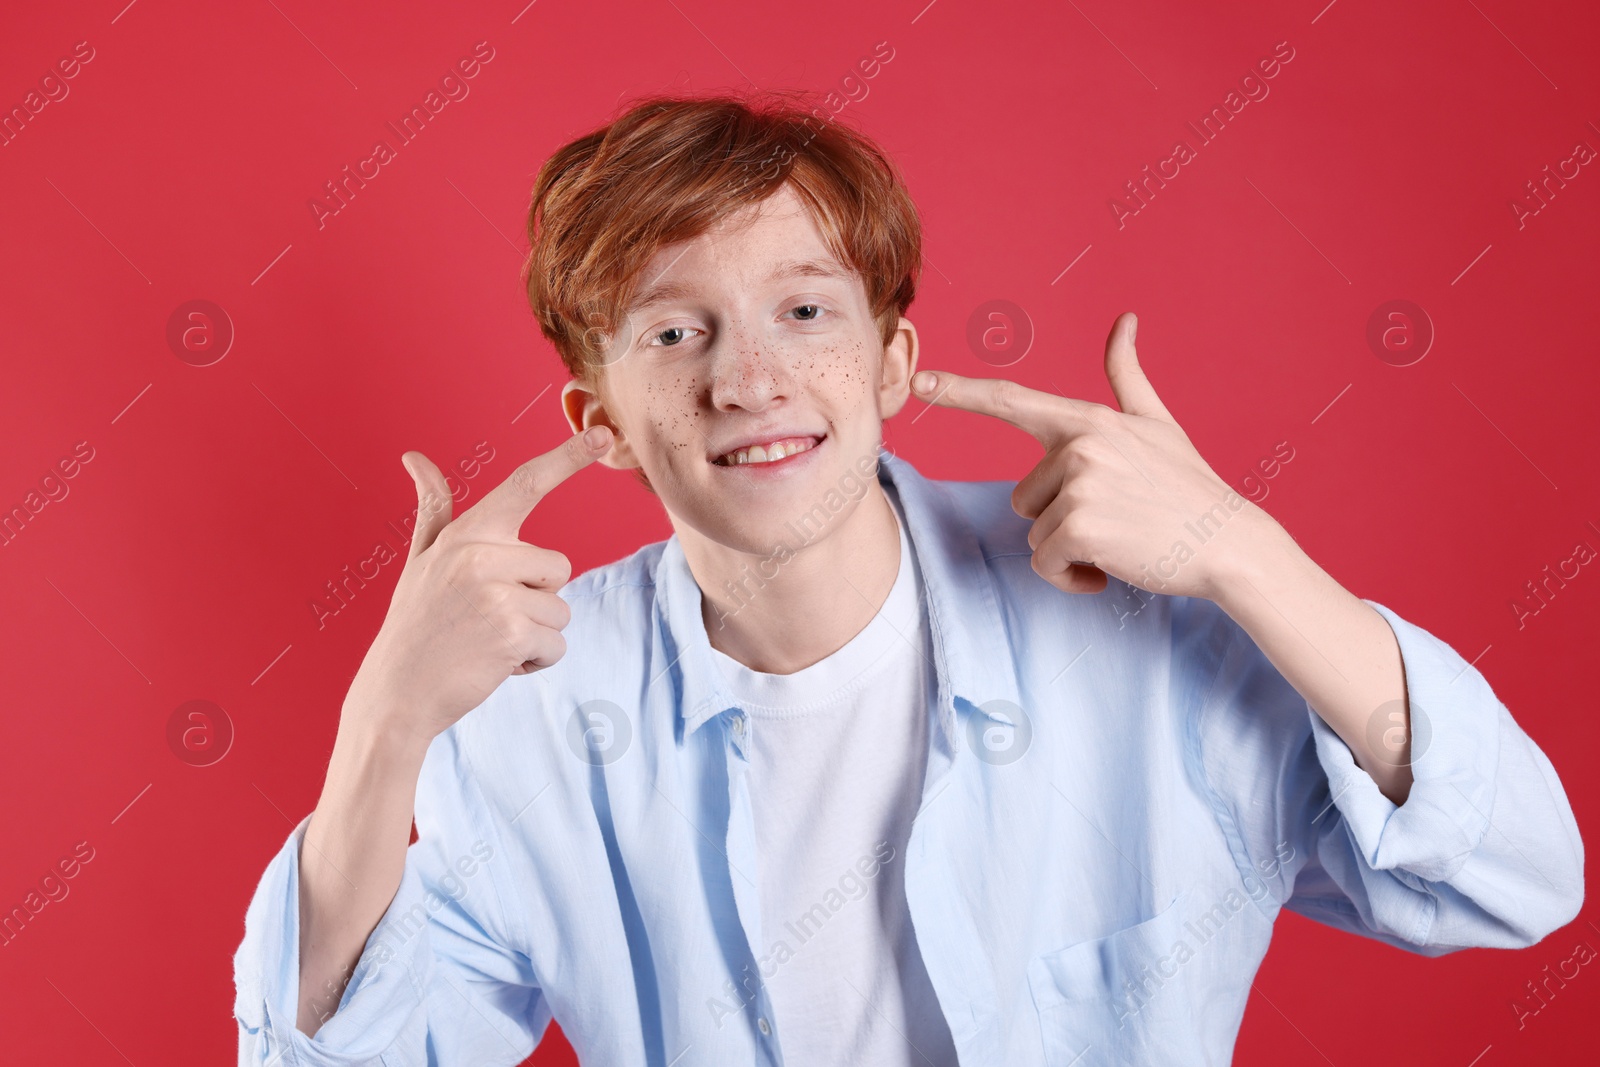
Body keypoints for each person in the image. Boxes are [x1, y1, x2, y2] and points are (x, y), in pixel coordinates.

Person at [233, 93, 1583, 1067]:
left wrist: (1241, 548)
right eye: (675, 329)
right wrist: (383, 729)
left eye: (806, 311)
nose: (749, 376)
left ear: (890, 364)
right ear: (602, 422)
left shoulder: (1145, 617)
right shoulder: (525, 721)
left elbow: (1516, 880)